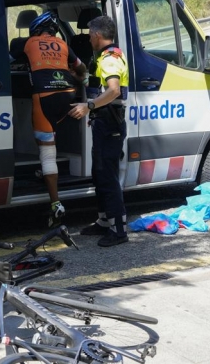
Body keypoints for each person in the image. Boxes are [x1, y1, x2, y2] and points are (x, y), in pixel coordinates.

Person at [68, 15, 130, 247]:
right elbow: (102, 88)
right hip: (104, 122)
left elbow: (113, 91)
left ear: (96, 35)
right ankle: (105, 221)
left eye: (90, 34)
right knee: (99, 172)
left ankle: (119, 230)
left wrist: (89, 106)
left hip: (110, 124)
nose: (89, 38)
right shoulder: (106, 56)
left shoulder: (110, 59)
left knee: (108, 175)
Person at [24, 11, 87, 225]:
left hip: (44, 97)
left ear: (35, 30)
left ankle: (56, 204)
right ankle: (45, 169)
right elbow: (82, 69)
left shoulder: (28, 43)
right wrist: (79, 79)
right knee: (50, 137)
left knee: (46, 148)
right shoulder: (63, 44)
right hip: (68, 94)